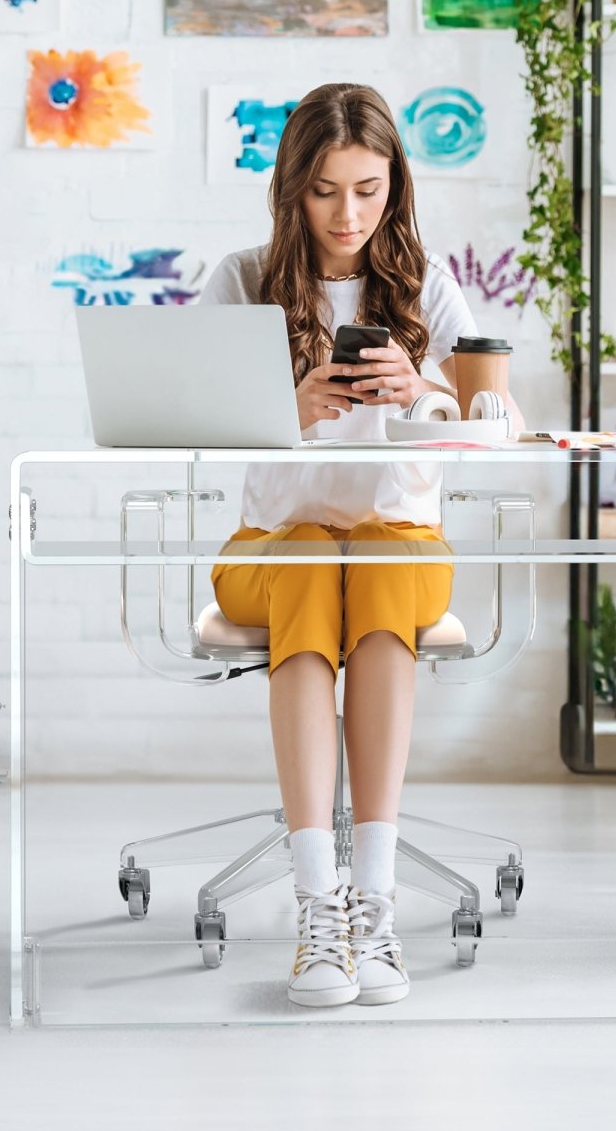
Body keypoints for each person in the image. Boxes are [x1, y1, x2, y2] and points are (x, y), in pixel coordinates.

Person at [200, 83, 523, 1007]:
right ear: (292, 189)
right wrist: (283, 405)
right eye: (326, 191)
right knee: (311, 559)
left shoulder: (427, 289)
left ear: (396, 188)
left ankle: (370, 907)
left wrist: (423, 386)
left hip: (397, 542)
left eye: (369, 190)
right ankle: (319, 908)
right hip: (274, 545)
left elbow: (499, 421)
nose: (348, 215)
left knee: (372, 562)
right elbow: (174, 421)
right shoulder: (242, 278)